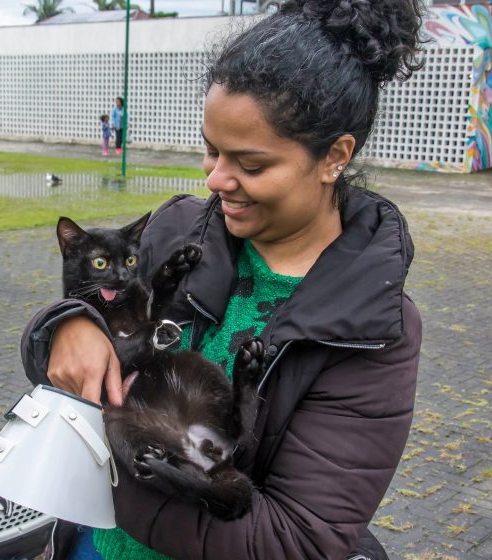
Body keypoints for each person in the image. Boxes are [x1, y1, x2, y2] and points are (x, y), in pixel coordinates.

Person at [21, 0, 424, 558]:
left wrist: (102, 473)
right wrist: (69, 323)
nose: (216, 179)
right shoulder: (179, 228)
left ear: (334, 157)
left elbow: (293, 539)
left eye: (250, 165)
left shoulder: (373, 328)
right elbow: (82, 344)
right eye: (211, 151)